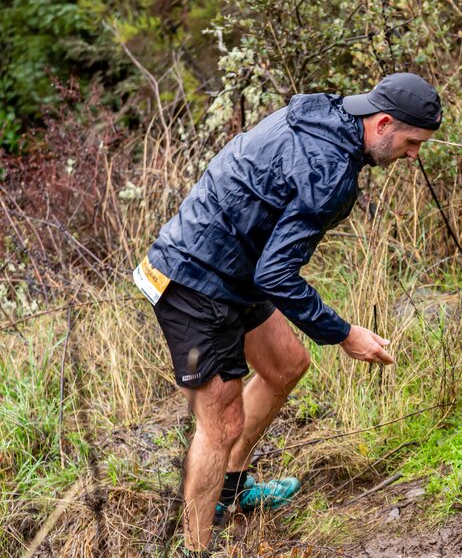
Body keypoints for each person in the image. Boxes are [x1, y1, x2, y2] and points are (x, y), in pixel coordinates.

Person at [133, 72, 442, 556]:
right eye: (411, 142)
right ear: (383, 123)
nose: (413, 155)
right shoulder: (330, 171)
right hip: (192, 277)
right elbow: (277, 276)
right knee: (222, 425)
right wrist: (344, 334)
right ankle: (197, 548)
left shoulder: (327, 112)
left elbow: (268, 264)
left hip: (235, 269)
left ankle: (231, 489)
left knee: (285, 365)